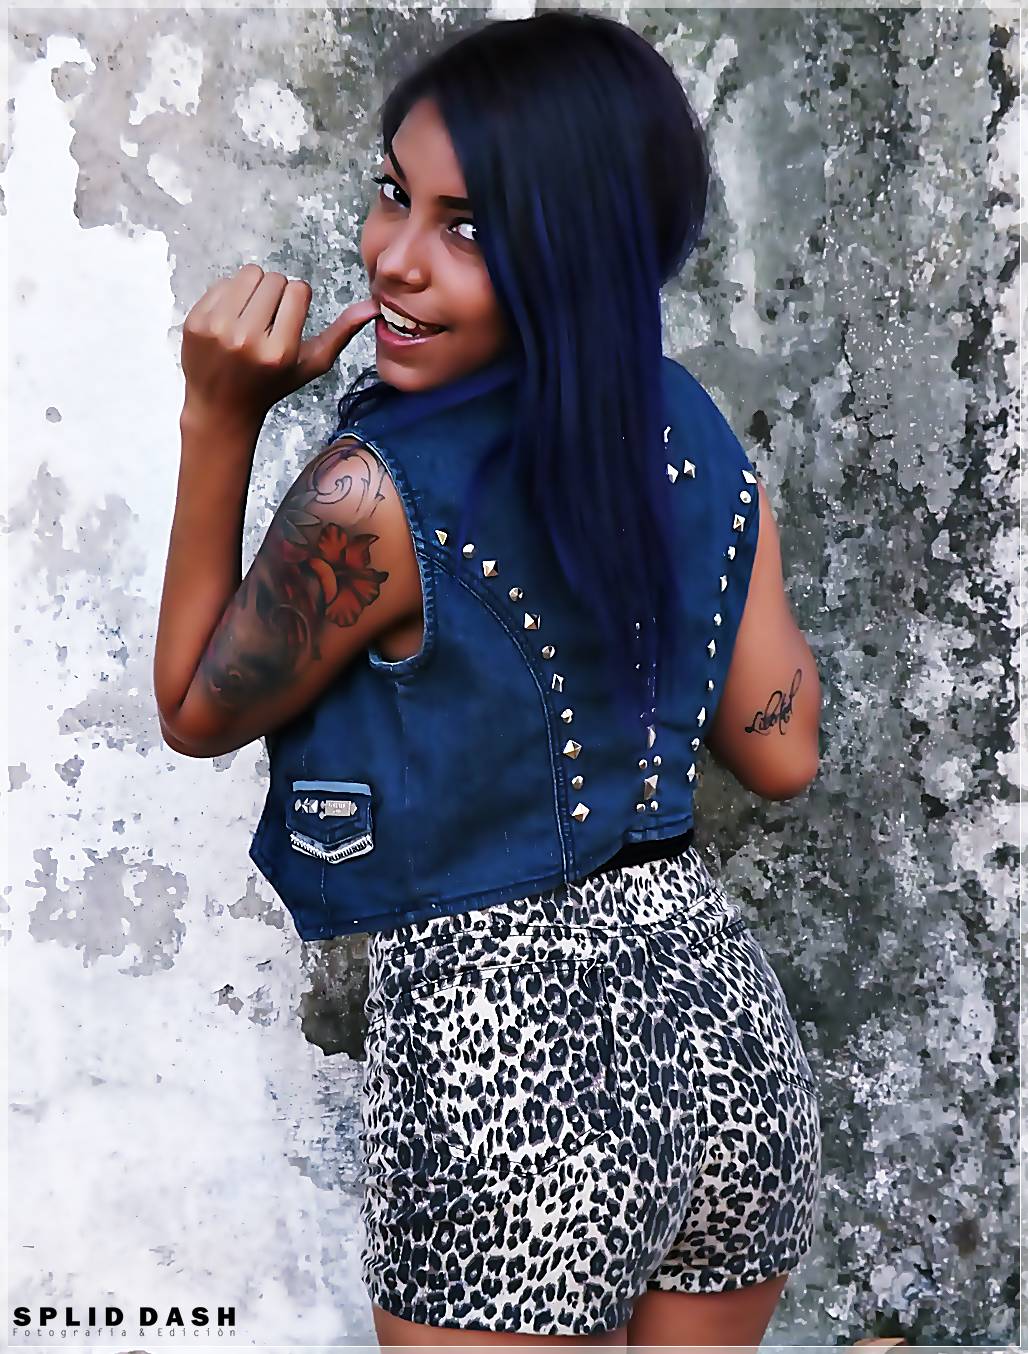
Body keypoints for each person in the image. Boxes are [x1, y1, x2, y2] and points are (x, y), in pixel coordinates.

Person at [154, 12, 823, 1349]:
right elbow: (782, 753)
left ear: (578, 252)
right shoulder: (692, 429)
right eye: (394, 193)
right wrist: (728, 532)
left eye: (468, 227)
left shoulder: (374, 494)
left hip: (505, 1076)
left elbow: (193, 709)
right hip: (730, 1049)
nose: (394, 256)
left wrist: (218, 418)